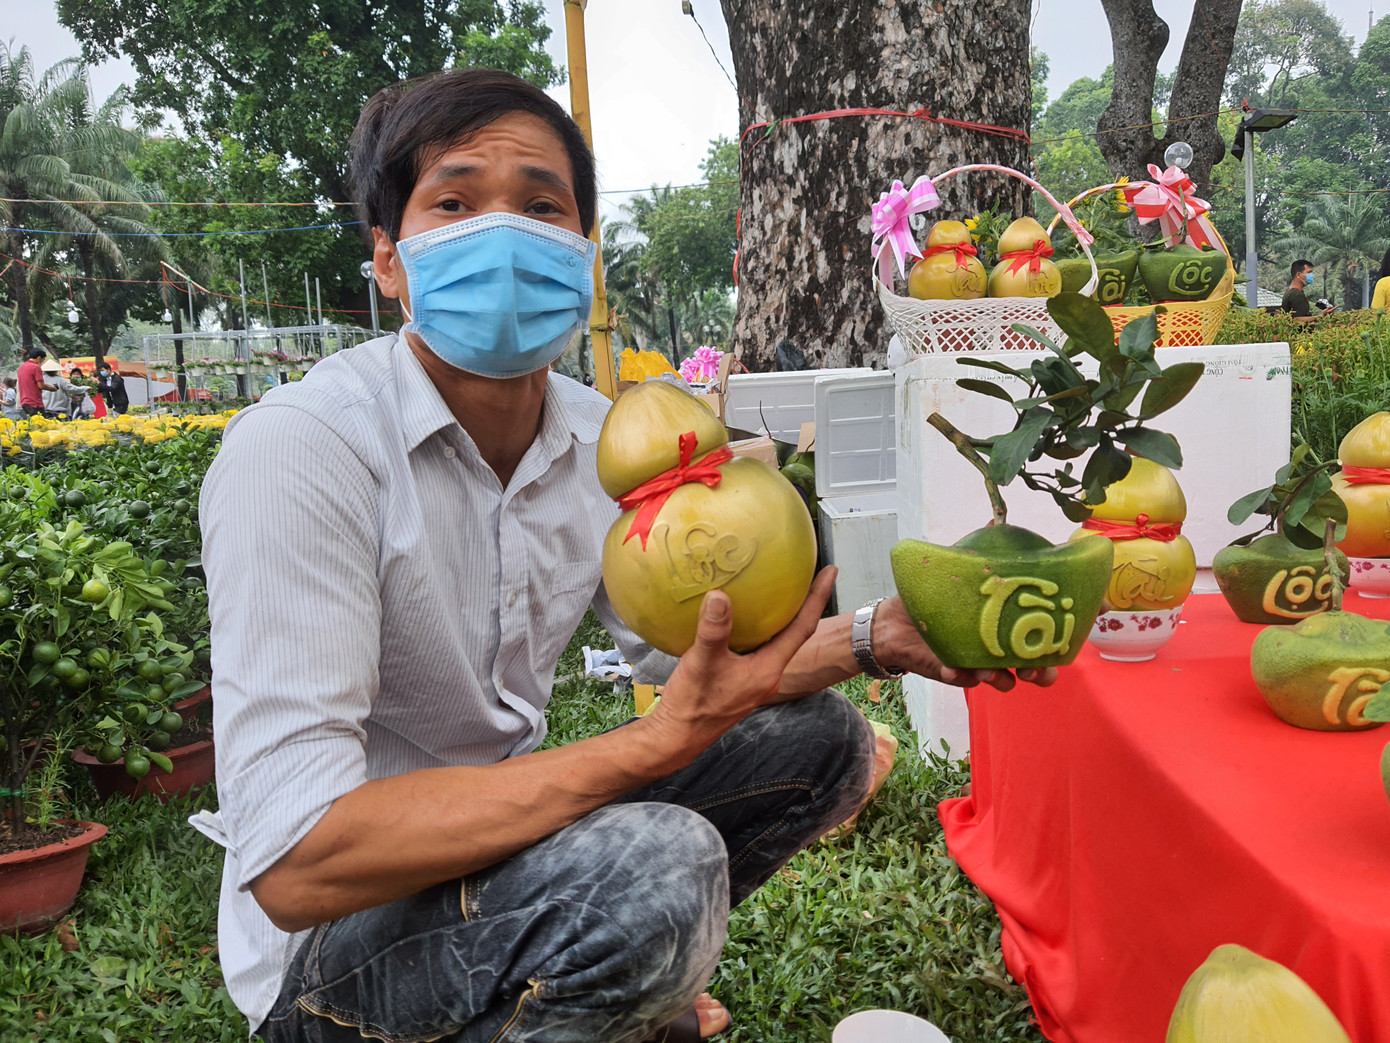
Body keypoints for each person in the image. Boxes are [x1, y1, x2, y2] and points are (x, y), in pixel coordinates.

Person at [194, 68, 1056, 1043]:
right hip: (332, 937)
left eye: (540, 205)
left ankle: (587, 977)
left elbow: (707, 670)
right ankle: (592, 980)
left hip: (496, 854)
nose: (505, 234)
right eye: (455, 201)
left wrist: (875, 636)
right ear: (388, 258)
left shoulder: (605, 444)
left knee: (819, 742)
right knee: (656, 865)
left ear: (581, 249)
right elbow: (300, 860)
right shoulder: (303, 449)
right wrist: (645, 748)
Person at [16, 348, 55, 418]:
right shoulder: (36, 367)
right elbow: (41, 386)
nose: (42, 362)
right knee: (40, 425)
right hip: (35, 403)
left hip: (24, 402)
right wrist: (51, 388)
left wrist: (45, 385)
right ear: (39, 358)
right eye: (43, 360)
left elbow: (31, 383)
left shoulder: (22, 367)